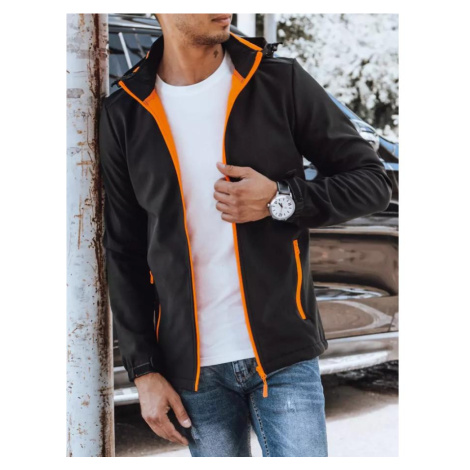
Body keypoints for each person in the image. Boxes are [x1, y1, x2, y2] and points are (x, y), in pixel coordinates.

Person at [99, 13, 392, 457]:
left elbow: (371, 182)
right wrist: (144, 371)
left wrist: (280, 198)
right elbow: (124, 250)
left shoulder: (277, 81)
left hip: (284, 355)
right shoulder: (124, 111)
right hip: (192, 372)